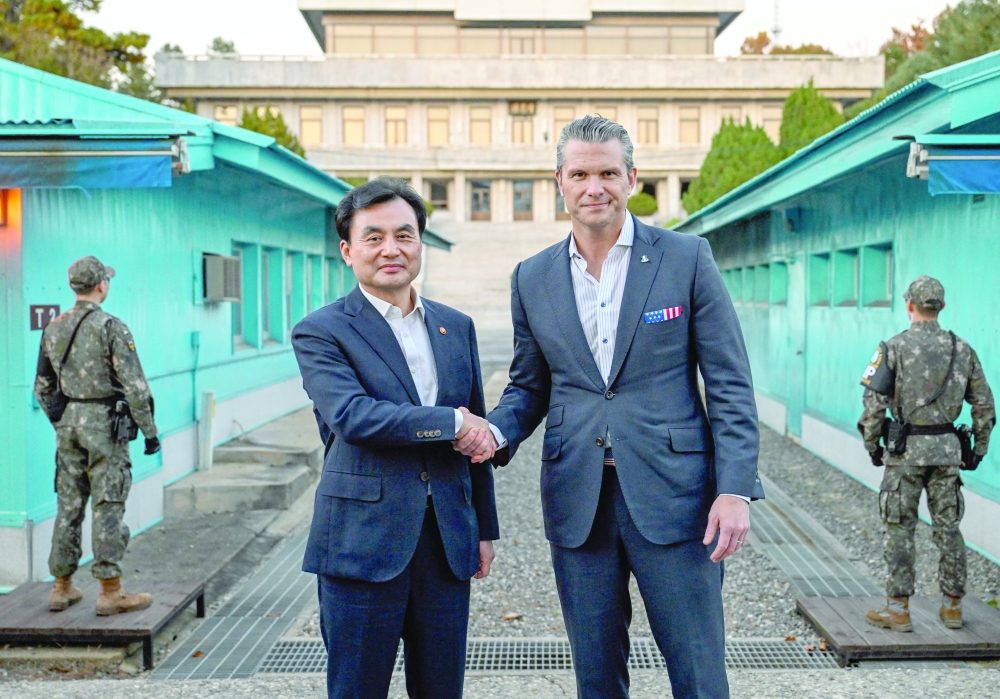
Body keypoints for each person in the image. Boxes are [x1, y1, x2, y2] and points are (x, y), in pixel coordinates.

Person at [455, 116, 761, 699]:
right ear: (560, 182)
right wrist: (493, 432)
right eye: (580, 174)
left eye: (607, 173)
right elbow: (529, 386)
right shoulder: (532, 277)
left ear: (632, 178)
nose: (594, 186)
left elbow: (729, 384)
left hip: (677, 498)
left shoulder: (685, 258)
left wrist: (735, 488)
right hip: (579, 500)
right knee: (595, 676)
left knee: (698, 671)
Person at [291, 178, 500, 699]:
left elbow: (477, 436)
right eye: (374, 236)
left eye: (405, 235)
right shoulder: (322, 330)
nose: (392, 249)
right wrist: (450, 423)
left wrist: (483, 528)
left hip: (447, 537)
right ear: (347, 250)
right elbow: (354, 417)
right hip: (363, 540)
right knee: (358, 688)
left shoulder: (457, 326)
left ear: (420, 244)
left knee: (441, 687)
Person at [858, 276, 994, 632]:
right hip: (947, 453)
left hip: (904, 455)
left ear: (909, 306)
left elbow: (873, 406)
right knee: (949, 528)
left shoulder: (891, 348)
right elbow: (984, 405)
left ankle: (898, 609)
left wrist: (873, 446)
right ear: (942, 307)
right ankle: (952, 607)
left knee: (899, 529)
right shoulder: (962, 349)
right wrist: (977, 450)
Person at [34, 256, 160, 616]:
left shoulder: (53, 327)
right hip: (105, 424)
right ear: (102, 285)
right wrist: (149, 433)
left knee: (68, 506)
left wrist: (62, 420)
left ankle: (61, 587)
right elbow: (135, 387)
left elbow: (42, 386)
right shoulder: (112, 327)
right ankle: (110, 591)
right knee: (108, 504)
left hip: (68, 424)